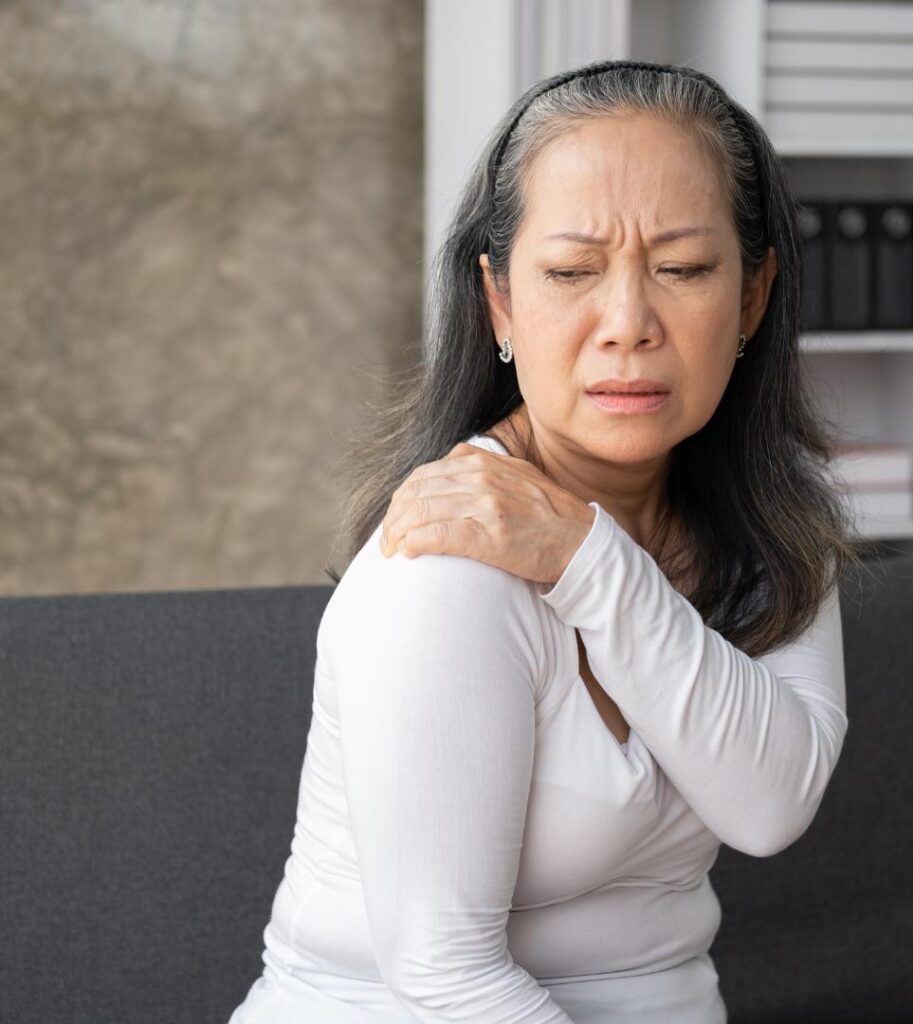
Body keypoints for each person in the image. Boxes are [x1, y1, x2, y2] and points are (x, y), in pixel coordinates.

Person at [227, 58, 865, 1023]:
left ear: (753, 295)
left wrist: (587, 560)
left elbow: (770, 804)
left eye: (683, 269)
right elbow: (444, 977)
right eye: (570, 273)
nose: (627, 325)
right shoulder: (445, 563)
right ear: (500, 304)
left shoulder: (778, 514)